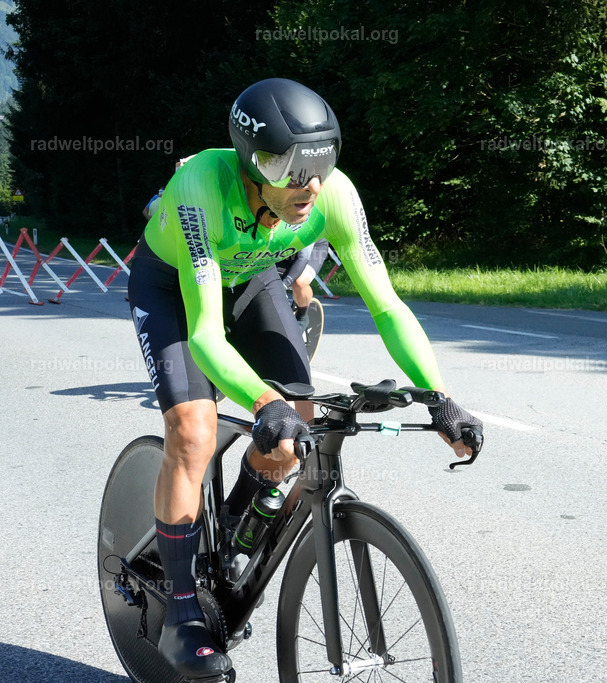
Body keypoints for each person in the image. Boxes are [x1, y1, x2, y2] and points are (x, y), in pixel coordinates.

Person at [126, 78, 482, 680]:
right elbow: (206, 334)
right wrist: (263, 401)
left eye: (320, 164)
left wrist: (440, 395)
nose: (307, 184)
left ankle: (239, 517)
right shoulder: (202, 188)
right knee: (193, 430)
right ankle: (181, 614)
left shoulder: (334, 197)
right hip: (174, 288)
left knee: (303, 421)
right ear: (252, 160)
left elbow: (387, 305)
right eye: (288, 167)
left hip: (250, 277)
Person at [277, 237, 330, 331]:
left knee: (299, 283)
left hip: (312, 249)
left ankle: (302, 316)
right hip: (287, 250)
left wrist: (284, 284)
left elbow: (303, 258)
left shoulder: (303, 224)